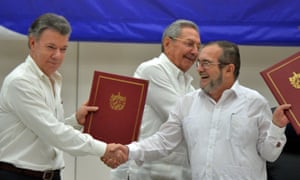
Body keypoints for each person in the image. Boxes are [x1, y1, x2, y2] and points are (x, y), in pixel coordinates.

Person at [103, 41, 292, 180]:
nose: (199, 69)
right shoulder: (187, 103)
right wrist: (128, 150)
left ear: (229, 69)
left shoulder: (255, 103)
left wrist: (277, 127)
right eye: (199, 63)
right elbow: (162, 142)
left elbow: (270, 154)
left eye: (206, 63)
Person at [0, 13, 125, 180]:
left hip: (49, 175)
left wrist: (76, 120)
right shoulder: (21, 82)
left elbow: (45, 131)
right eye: (51, 47)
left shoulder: (53, 79)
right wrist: (105, 149)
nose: (57, 55)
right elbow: (54, 132)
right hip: (18, 175)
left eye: (63, 49)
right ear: (32, 43)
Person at [110, 19, 200, 180]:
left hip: (174, 172)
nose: (195, 52)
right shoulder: (152, 70)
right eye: (189, 44)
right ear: (167, 43)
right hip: (148, 172)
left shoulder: (187, 82)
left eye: (198, 47)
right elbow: (184, 119)